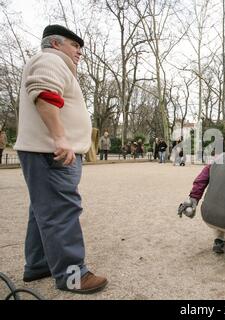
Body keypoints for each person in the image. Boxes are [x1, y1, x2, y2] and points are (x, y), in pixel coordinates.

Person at [13, 25, 107, 293]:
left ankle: (39, 264)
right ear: (55, 43)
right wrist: (60, 138)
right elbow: (44, 93)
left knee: (43, 209)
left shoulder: (52, 62)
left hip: (44, 149)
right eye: (75, 46)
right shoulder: (50, 59)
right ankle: (72, 276)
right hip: (51, 150)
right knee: (61, 211)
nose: (79, 52)